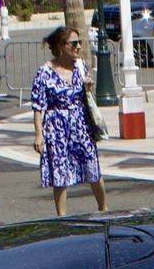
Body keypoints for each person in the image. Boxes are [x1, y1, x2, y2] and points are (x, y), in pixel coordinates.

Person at [30, 24, 106, 217]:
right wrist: (39, 134)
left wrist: (88, 87)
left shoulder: (80, 66)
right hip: (56, 125)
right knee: (60, 170)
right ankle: (61, 216)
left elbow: (86, 95)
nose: (78, 46)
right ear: (61, 46)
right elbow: (38, 106)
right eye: (74, 43)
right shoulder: (44, 72)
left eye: (79, 42)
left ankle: (103, 208)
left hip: (80, 123)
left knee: (92, 165)